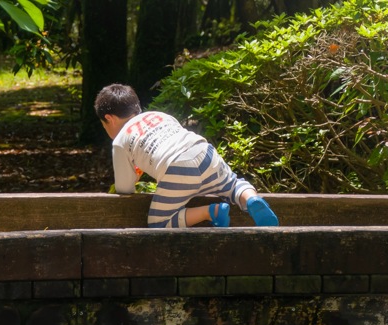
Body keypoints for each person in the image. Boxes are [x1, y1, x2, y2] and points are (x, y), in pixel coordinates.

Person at [94, 83, 278, 229]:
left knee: (158, 222)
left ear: (109, 118)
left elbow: (124, 189)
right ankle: (250, 198)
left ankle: (212, 212)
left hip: (178, 168)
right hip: (204, 152)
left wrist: (136, 174)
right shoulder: (159, 115)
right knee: (233, 184)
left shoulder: (120, 140)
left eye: (103, 125)